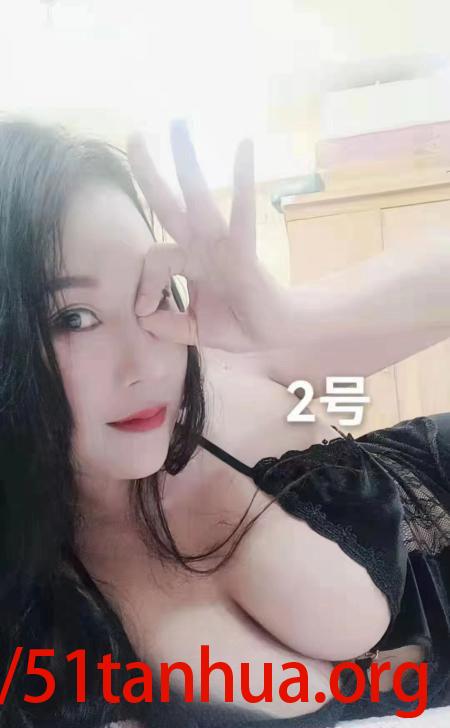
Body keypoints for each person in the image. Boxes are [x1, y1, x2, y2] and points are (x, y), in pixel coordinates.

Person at [0, 116, 448, 728]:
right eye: (73, 318)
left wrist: (292, 317)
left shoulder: (226, 364)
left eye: (153, 293)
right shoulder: (37, 601)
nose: (146, 365)